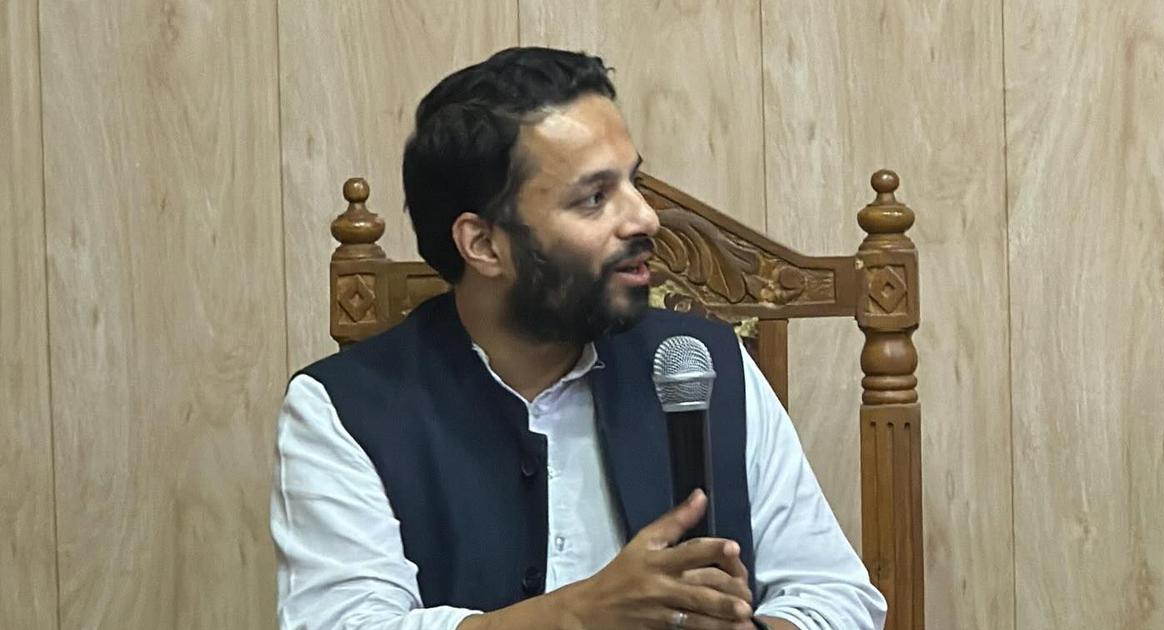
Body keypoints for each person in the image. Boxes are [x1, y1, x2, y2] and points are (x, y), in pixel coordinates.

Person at [270, 47, 886, 630]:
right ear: (484, 245)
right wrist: (581, 614)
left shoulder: (703, 364)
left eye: (632, 182)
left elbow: (836, 596)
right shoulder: (345, 409)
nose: (645, 217)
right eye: (594, 198)